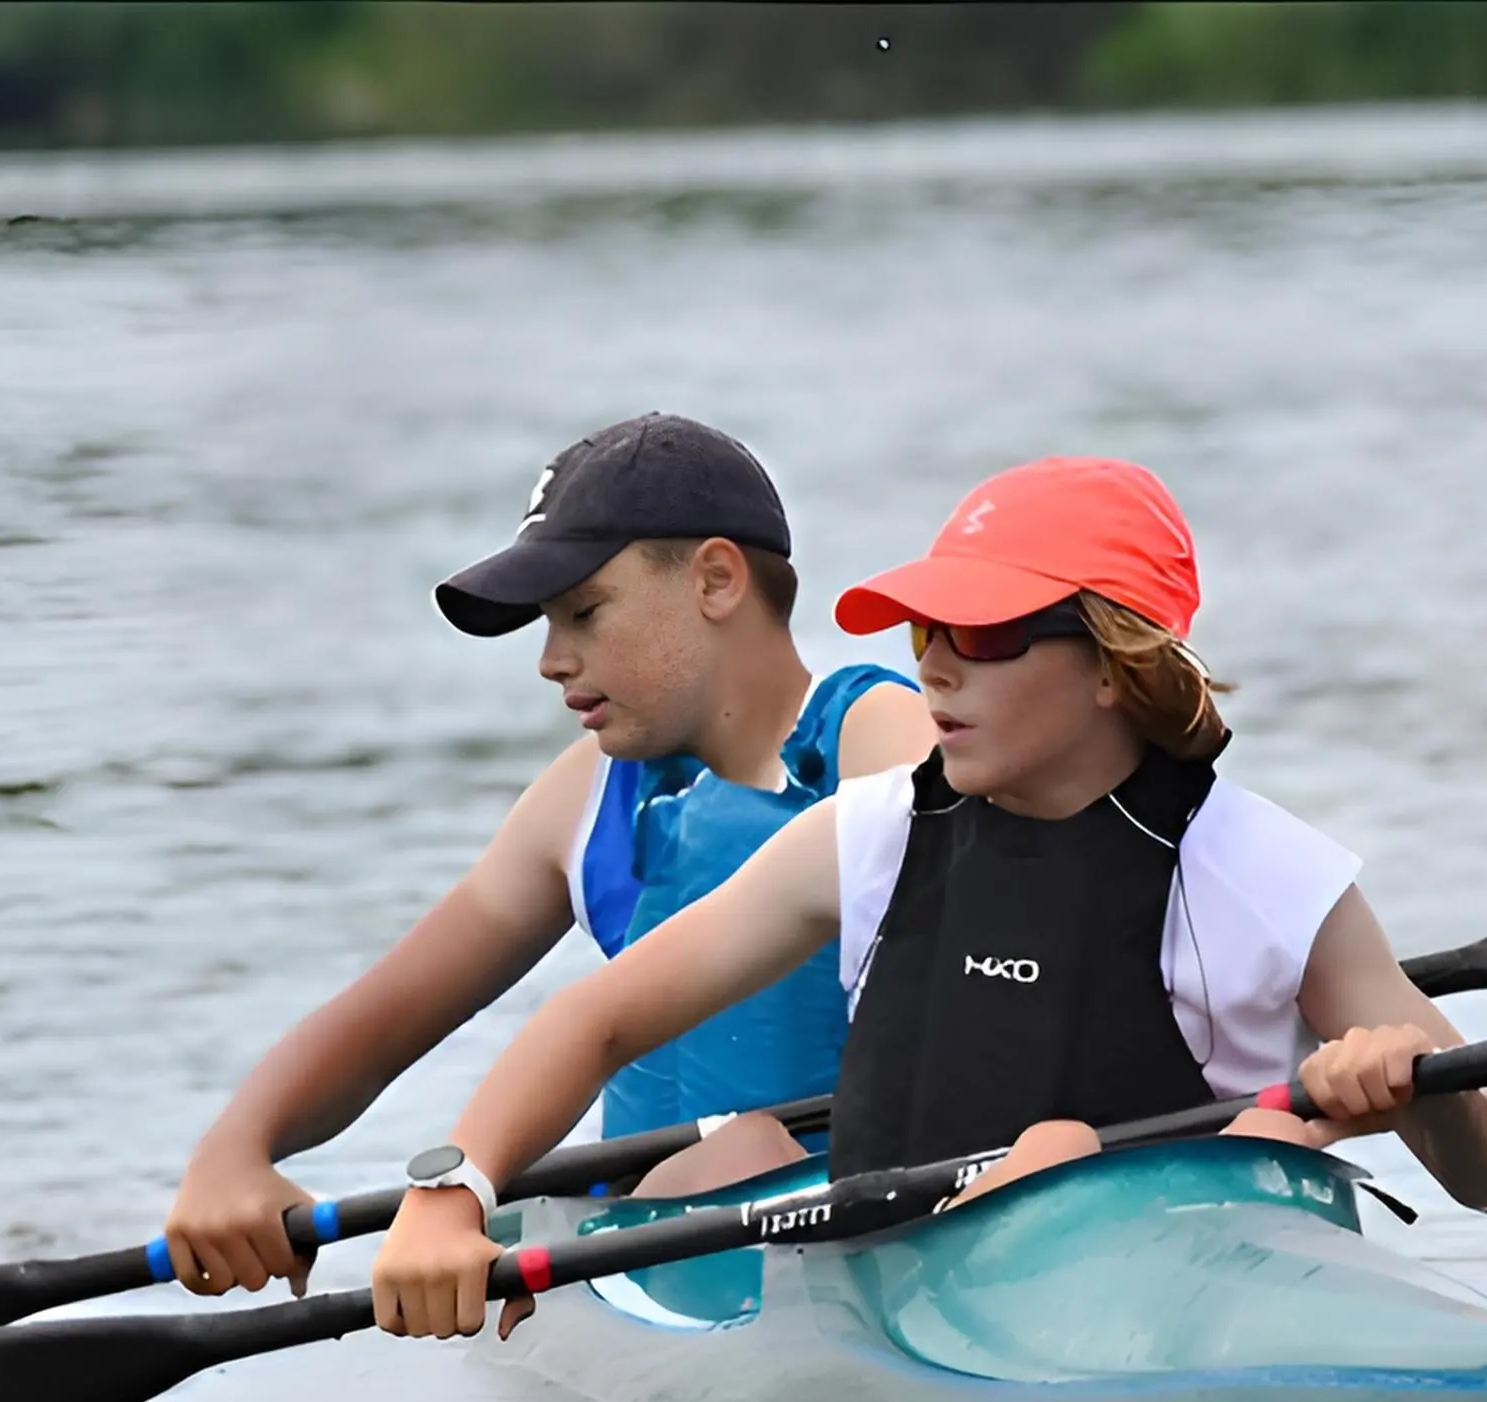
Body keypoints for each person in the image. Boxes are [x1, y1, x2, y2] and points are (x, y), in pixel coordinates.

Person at [368, 455, 1487, 1341]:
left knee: (1109, 1144)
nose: (931, 664)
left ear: (1109, 661)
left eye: (980, 635)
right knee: (726, 1156)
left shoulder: (1270, 879)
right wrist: (451, 1189)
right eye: (928, 628)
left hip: (1175, 1299)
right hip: (903, 1292)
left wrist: (1419, 1096)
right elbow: (598, 1018)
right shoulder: (872, 836)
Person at [161, 414, 937, 1297]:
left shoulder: (878, 736)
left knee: (745, 1152)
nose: (550, 660)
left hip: (853, 1246)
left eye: (584, 613)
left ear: (716, 580)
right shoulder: (593, 795)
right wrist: (237, 1148)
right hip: (656, 1258)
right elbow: (388, 1015)